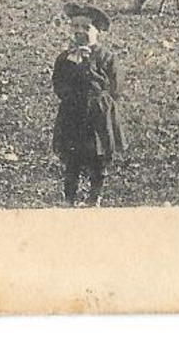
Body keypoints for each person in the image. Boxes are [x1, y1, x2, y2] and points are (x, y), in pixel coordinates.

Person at [51, 12, 125, 206]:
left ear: (98, 32)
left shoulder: (106, 56)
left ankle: (95, 196)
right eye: (75, 27)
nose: (79, 32)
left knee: (97, 156)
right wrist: (70, 92)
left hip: (97, 113)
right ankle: (69, 197)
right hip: (73, 112)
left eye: (86, 28)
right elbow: (58, 83)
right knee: (72, 156)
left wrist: (90, 76)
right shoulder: (65, 57)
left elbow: (115, 87)